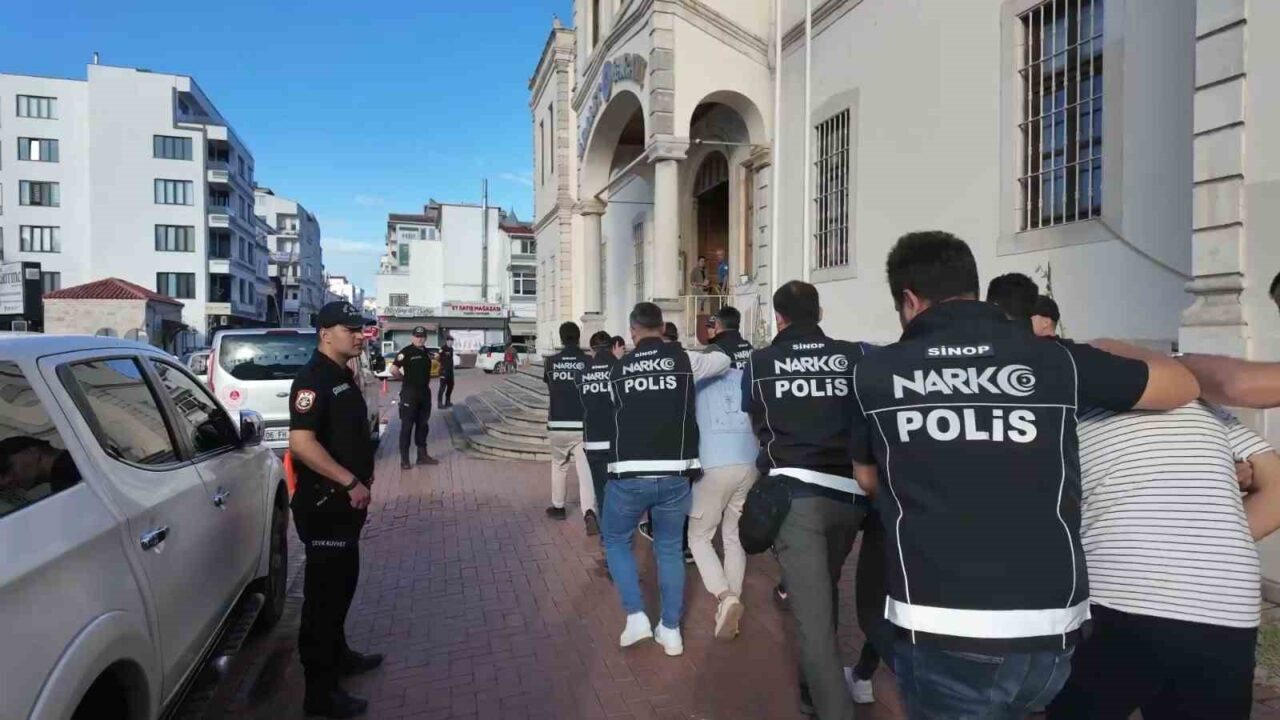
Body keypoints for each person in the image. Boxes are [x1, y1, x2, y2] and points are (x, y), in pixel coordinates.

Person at [847, 231, 1199, 720]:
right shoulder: (1058, 360)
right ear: (972, 287)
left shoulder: (875, 373)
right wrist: (1115, 348)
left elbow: (867, 479)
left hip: (943, 627)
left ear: (909, 299)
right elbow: (1181, 385)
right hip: (1052, 636)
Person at [1047, 397, 1280, 719]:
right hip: (1227, 605)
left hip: (1118, 596)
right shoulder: (1200, 403)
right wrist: (1213, 540)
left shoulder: (1062, 404)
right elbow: (1276, 486)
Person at [741, 280, 870, 720]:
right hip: (852, 498)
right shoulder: (855, 355)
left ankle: (830, 706)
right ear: (819, 313)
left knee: (812, 624)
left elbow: (756, 422)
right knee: (824, 589)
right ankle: (812, 691)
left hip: (797, 498)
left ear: (779, 317)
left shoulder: (761, 362)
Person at [605, 302, 729, 658]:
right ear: (663, 327)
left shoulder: (619, 369)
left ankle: (636, 617)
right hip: (676, 472)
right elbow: (722, 360)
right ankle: (671, 630)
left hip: (629, 473)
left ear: (632, 332)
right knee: (670, 548)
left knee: (615, 539)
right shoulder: (686, 360)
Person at [287, 301, 384, 718]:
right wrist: (348, 481)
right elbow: (301, 443)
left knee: (342, 586)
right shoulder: (313, 380)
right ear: (326, 333)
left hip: (346, 504)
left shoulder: (342, 374)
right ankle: (319, 693)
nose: (360, 336)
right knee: (323, 599)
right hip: (326, 505)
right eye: (351, 330)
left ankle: (339, 656)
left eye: (361, 329)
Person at [688, 305, 756, 640]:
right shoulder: (753, 362)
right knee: (733, 536)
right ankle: (732, 605)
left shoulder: (704, 367)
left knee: (699, 536)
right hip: (749, 459)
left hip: (713, 461)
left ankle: (725, 597)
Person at [543, 322, 591, 526]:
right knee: (585, 470)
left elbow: (549, 384)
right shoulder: (588, 361)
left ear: (561, 339)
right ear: (578, 337)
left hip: (558, 423)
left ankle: (558, 507)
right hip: (582, 423)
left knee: (558, 466)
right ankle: (589, 512)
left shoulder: (551, 362)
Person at [575, 330, 619, 536]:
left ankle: (607, 534)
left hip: (592, 439)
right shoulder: (619, 367)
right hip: (617, 439)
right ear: (611, 346)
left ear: (592, 349)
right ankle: (618, 534)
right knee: (621, 491)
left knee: (601, 491)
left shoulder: (582, 371)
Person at [391, 326, 438, 470]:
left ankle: (422, 456)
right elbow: (393, 369)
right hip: (409, 394)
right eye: (417, 336)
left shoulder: (426, 352)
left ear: (425, 338)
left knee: (423, 425)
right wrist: (404, 380)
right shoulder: (406, 352)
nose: (420, 339)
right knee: (407, 427)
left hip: (424, 393)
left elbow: (436, 360)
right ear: (412, 337)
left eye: (422, 336)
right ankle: (405, 460)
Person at [436, 336, 455, 409]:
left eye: (452, 341)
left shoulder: (451, 349)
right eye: (450, 341)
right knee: (442, 387)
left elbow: (450, 359)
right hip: (444, 371)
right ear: (447, 341)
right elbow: (438, 357)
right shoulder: (443, 348)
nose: (451, 343)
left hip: (450, 371)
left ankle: (447, 402)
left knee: (451, 386)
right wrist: (442, 365)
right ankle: (440, 403)